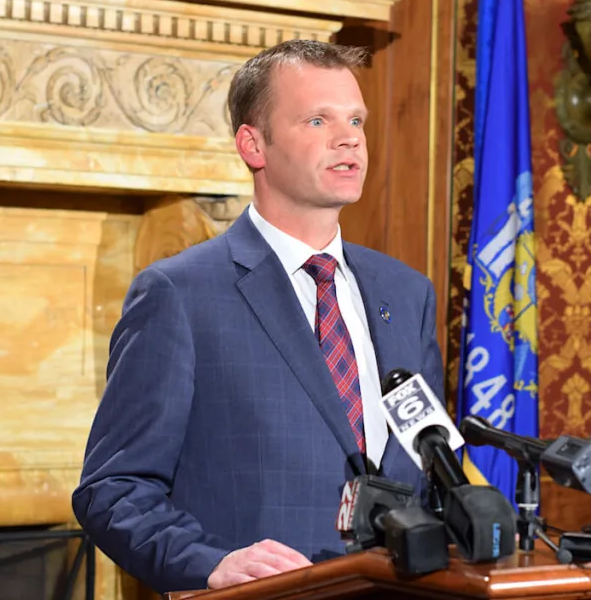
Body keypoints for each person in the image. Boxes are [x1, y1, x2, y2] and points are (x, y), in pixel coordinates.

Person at [72, 40, 446, 594]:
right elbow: (114, 488)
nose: (349, 139)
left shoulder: (406, 293)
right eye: (317, 120)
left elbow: (430, 467)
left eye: (356, 121)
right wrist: (209, 563)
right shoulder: (179, 293)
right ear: (253, 145)